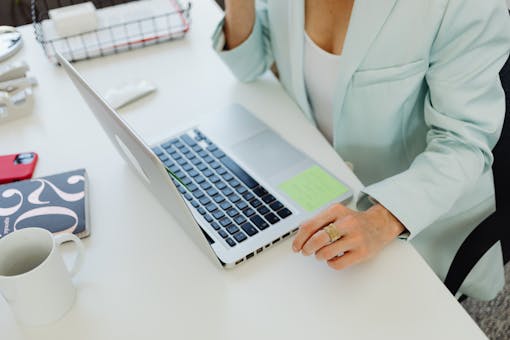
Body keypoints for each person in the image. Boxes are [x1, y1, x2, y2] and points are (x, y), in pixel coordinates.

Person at [212, 0, 510, 300]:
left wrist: (382, 221)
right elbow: (248, 64)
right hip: (314, 184)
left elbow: (464, 143)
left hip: (409, 219)